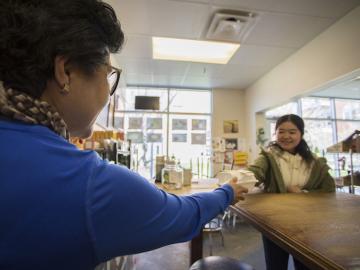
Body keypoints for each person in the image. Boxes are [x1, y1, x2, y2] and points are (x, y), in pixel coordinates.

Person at [0, 1, 248, 269]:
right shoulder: (88, 183)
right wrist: (228, 192)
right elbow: (185, 215)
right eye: (108, 76)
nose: (109, 93)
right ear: (66, 71)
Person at [247, 114, 335, 270]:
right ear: (276, 133)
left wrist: (304, 192)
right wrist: (237, 181)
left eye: (292, 132)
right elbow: (255, 172)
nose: (286, 136)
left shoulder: (314, 161)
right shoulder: (268, 157)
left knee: (305, 264)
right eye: (281, 131)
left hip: (307, 224)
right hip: (274, 222)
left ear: (301, 134)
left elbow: (328, 190)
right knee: (275, 264)